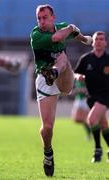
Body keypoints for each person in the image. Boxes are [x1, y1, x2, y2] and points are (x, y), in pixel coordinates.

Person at [30, 4, 92, 176]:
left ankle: (55, 71)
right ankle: (48, 153)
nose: (42, 21)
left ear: (53, 17)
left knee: (62, 59)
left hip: (63, 77)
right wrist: (72, 27)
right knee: (48, 127)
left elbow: (75, 34)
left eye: (45, 17)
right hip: (44, 79)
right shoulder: (36, 35)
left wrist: (85, 39)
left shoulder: (62, 27)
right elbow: (59, 37)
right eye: (39, 18)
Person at [75, 31, 109, 163]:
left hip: (106, 96)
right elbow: (75, 73)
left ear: (105, 43)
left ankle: (97, 150)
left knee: (91, 119)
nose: (99, 41)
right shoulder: (86, 59)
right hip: (91, 97)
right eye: (97, 39)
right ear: (92, 42)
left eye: (102, 39)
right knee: (103, 124)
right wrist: (78, 77)